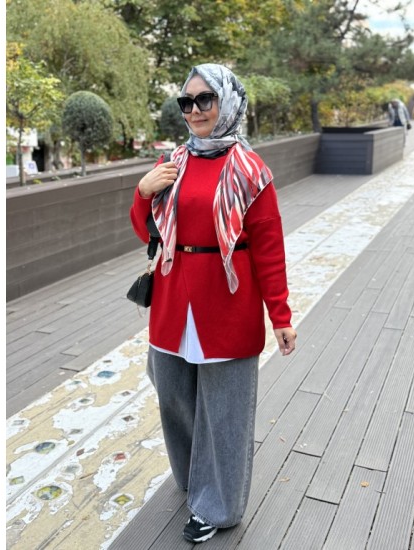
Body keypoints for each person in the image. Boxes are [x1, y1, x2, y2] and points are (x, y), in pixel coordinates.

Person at [130, 63, 297, 544]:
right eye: (187, 101)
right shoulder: (174, 161)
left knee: (225, 413)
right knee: (173, 397)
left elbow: (269, 248)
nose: (195, 110)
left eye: (206, 99)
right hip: (173, 299)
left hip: (227, 304)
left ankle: (218, 506)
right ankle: (192, 477)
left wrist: (280, 315)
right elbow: (147, 231)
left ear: (228, 102)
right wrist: (142, 192)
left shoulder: (250, 170)